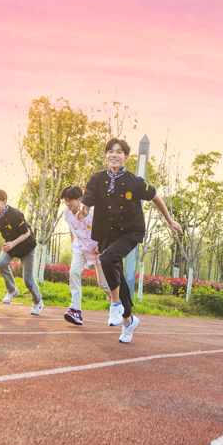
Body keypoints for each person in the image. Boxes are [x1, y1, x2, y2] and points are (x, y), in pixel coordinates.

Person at [77, 138, 182, 343]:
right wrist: (84, 211)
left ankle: (115, 305)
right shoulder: (97, 180)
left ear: (126, 157)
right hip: (107, 233)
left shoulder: (134, 182)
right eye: (110, 151)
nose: (113, 155)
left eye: (118, 152)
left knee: (107, 259)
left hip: (130, 231)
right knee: (116, 273)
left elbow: (155, 198)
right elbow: (87, 203)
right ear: (106, 155)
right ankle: (127, 321)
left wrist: (170, 221)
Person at [60, 185, 113, 325]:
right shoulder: (66, 212)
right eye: (66, 200)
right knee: (74, 272)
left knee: (103, 284)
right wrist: (73, 244)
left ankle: (117, 304)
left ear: (79, 199)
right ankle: (75, 310)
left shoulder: (93, 211)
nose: (68, 203)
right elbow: (72, 229)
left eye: (70, 200)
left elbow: (108, 229)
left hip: (98, 248)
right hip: (80, 247)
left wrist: (101, 244)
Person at [0, 189, 44, 315]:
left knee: (28, 281)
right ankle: (12, 290)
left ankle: (38, 302)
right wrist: (9, 243)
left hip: (26, 246)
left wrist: (13, 243)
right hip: (11, 244)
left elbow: (27, 233)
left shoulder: (15, 214)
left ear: (4, 201)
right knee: (2, 263)